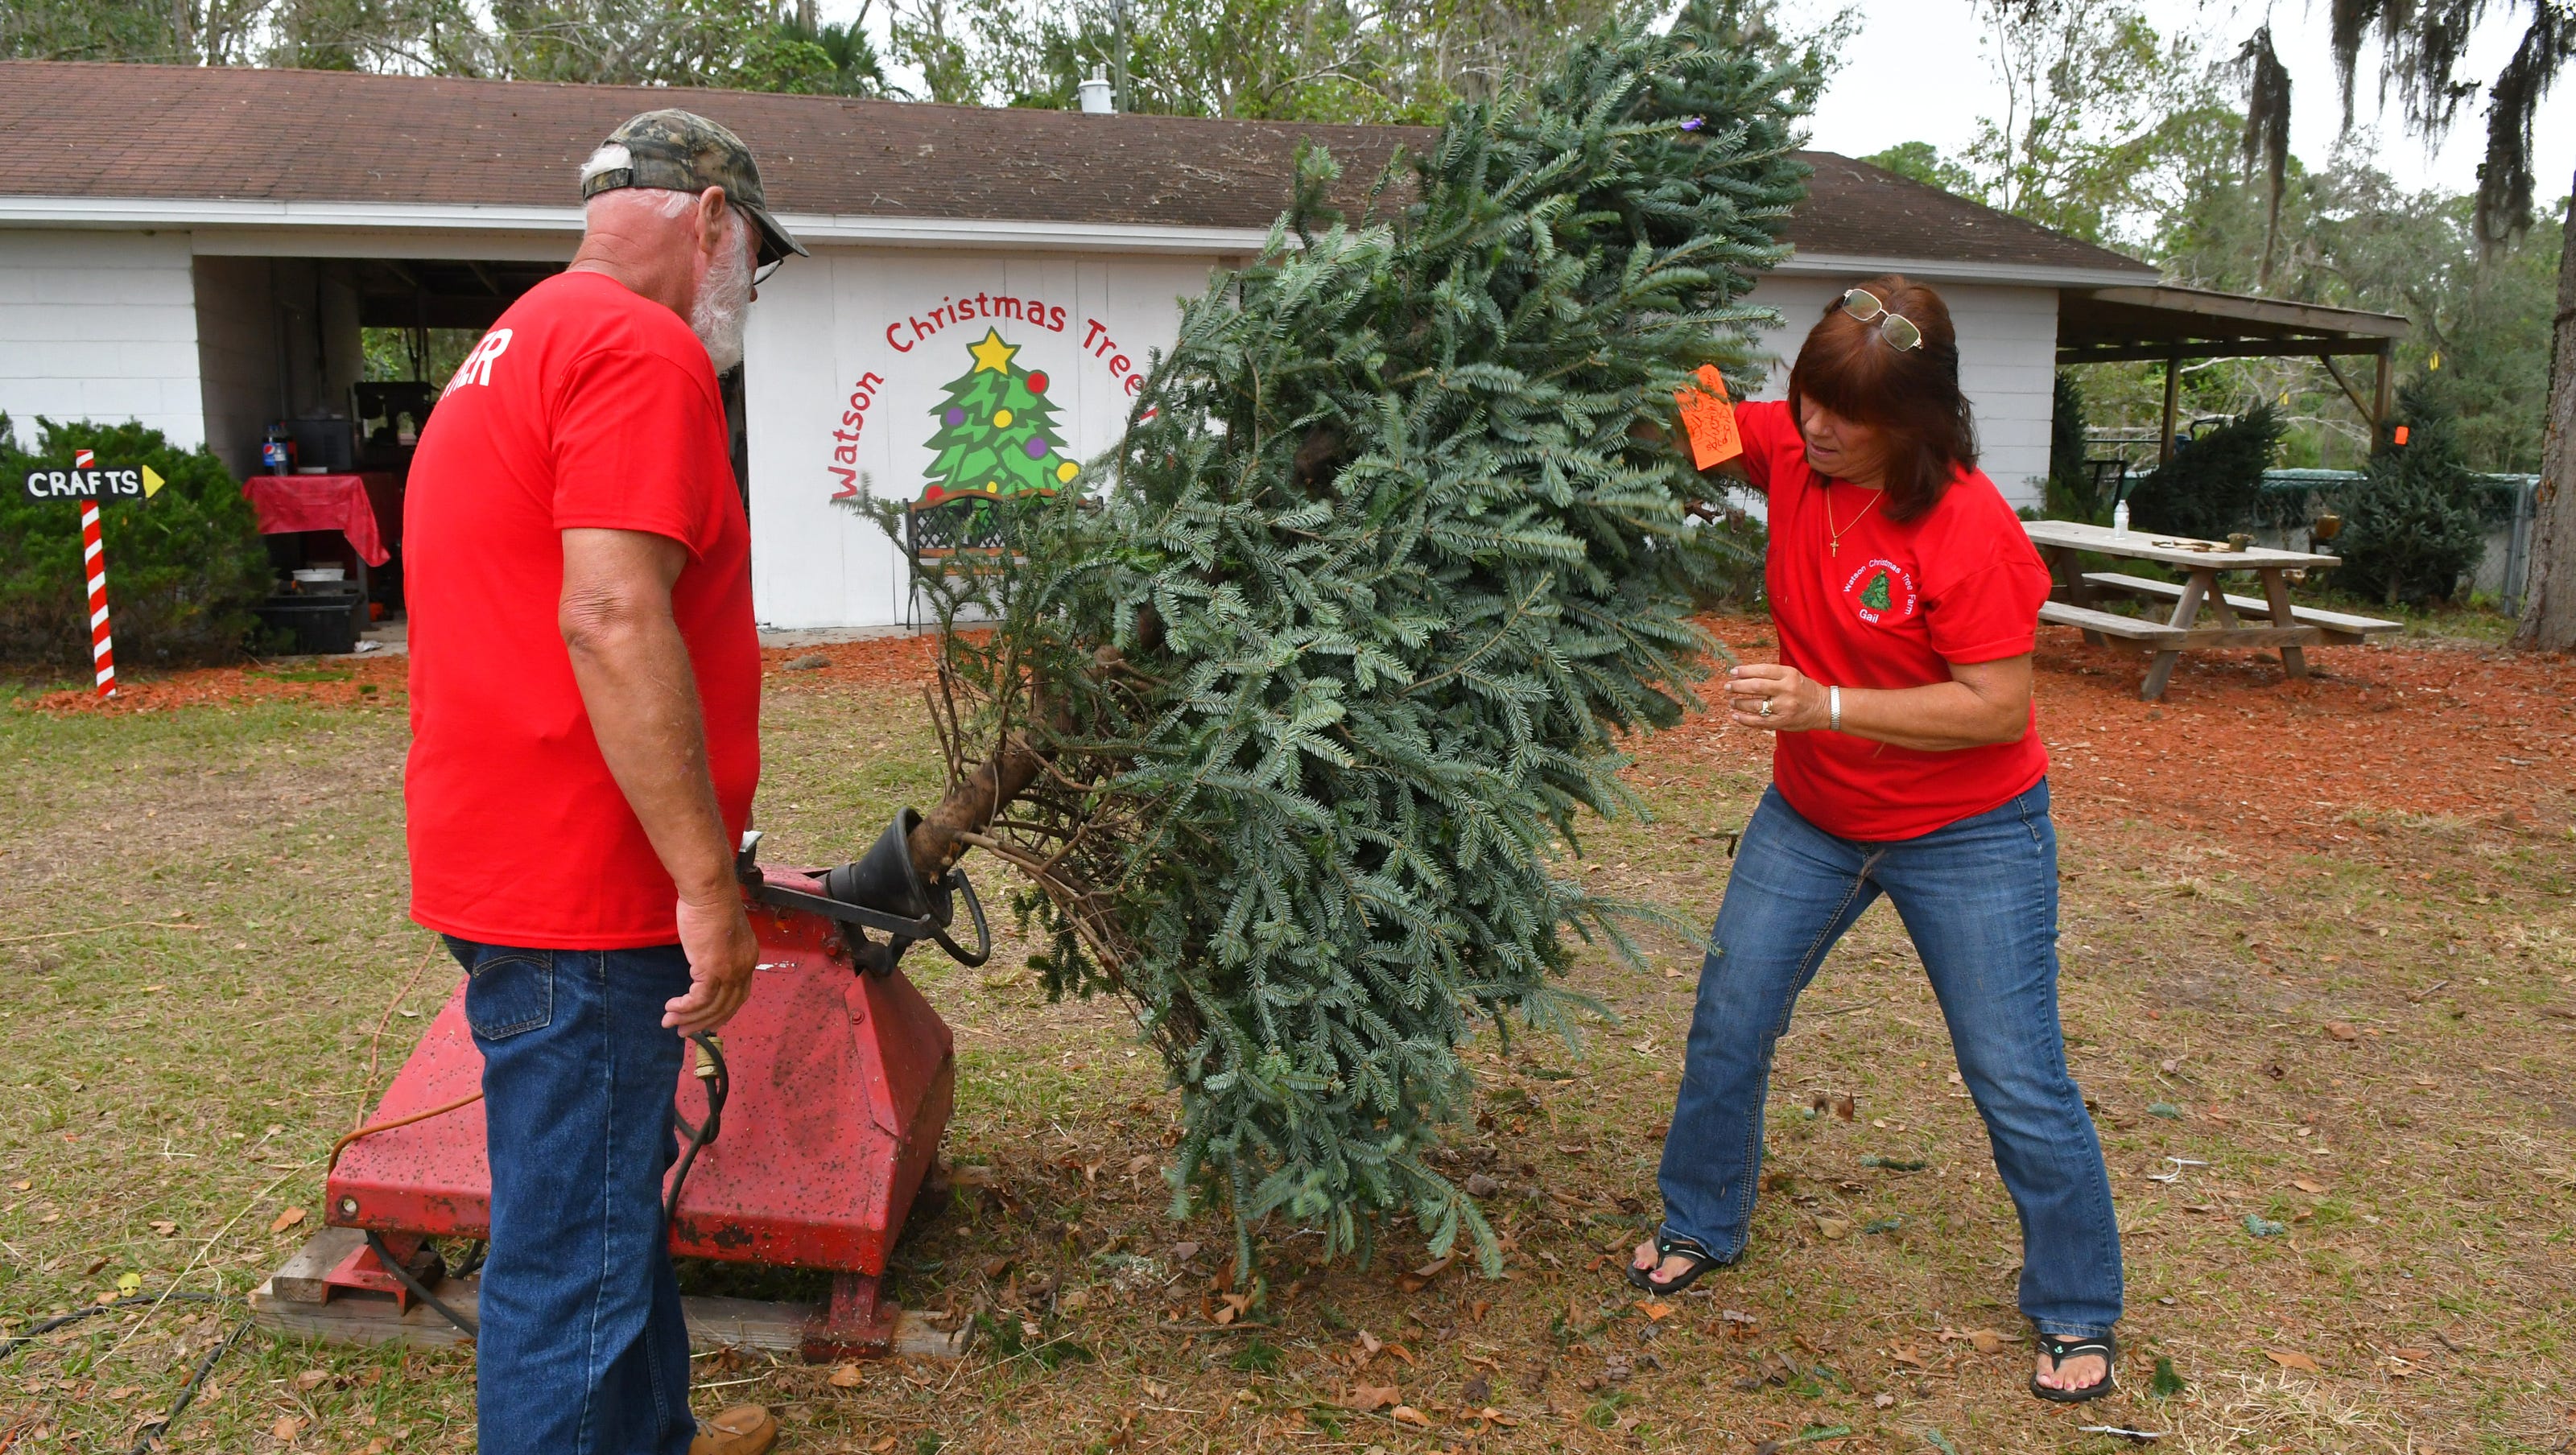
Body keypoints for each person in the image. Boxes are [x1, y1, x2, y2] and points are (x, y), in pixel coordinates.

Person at [1630, 277, 2122, 1403]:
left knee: (2015, 1074)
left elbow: (1996, 707)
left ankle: (2077, 1306)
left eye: (1845, 414)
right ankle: (1703, 1220)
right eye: (1808, 399)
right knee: (1730, 1015)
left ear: (1918, 418)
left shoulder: (1967, 528)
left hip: (1969, 832)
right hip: (1813, 815)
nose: (1814, 428)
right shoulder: (1796, 457)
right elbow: (1698, 413)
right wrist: (1648, 290)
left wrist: (1827, 706)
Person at [403, 109, 808, 1455]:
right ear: (707, 222)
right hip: (583, 889)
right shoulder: (640, 346)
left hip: (513, 855)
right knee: (569, 1257)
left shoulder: (511, 342)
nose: (749, 288)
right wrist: (706, 879)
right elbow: (612, 616)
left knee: (606, 1207)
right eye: (755, 255)